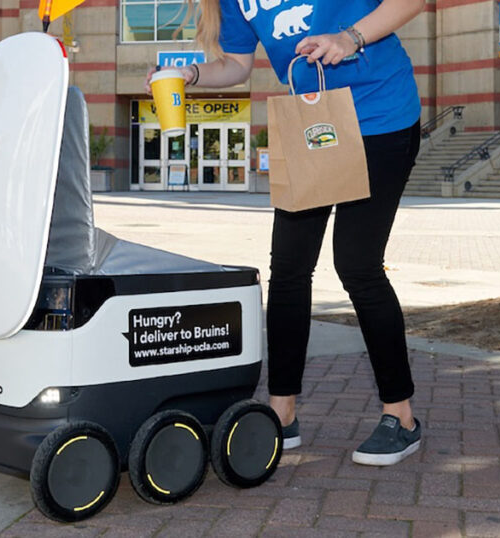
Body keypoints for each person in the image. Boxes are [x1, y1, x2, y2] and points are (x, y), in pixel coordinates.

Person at [147, 0, 425, 466]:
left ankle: (403, 418)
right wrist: (190, 76)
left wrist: (349, 38)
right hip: (315, 124)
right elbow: (236, 66)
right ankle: (282, 412)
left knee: (357, 264)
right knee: (290, 268)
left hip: (382, 117)